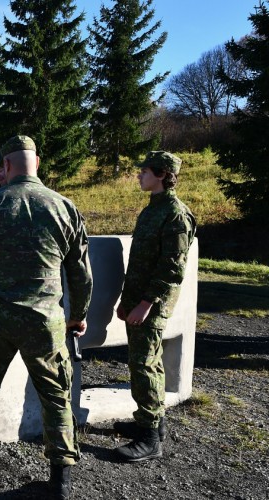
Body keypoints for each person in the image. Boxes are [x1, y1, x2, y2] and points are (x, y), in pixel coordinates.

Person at [0, 136, 93, 499]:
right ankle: (60, 482)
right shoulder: (65, 207)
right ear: (37, 163)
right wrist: (78, 316)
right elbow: (82, 275)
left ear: (6, 166)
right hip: (45, 321)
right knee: (55, 397)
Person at [113, 151, 196, 462]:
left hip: (151, 305)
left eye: (144, 171)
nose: (139, 175)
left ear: (161, 174)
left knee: (145, 365)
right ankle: (150, 424)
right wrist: (127, 301)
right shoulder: (152, 211)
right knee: (146, 363)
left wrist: (146, 304)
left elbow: (172, 269)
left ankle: (150, 439)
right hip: (138, 301)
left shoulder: (176, 214)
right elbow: (139, 263)